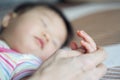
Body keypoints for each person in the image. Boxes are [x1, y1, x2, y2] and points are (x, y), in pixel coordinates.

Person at [0, 2, 107, 80]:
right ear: (9, 19)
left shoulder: (26, 63)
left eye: (55, 42)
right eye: (44, 23)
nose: (48, 37)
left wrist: (80, 56)